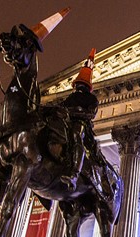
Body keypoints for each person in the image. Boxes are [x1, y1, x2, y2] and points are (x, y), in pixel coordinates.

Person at [61, 48, 98, 190]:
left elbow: (90, 115)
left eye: (80, 84)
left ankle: (74, 173)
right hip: (68, 122)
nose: (77, 86)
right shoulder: (70, 97)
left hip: (81, 124)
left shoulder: (91, 99)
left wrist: (76, 112)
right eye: (77, 84)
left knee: (76, 135)